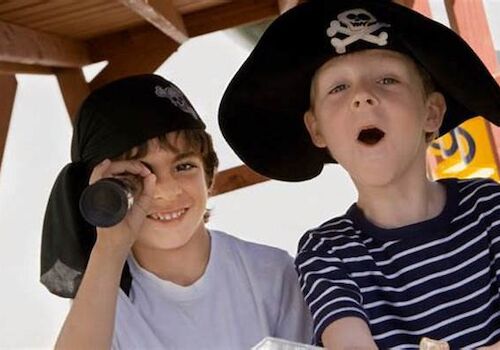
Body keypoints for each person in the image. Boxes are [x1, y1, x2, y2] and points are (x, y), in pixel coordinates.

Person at [217, 0, 500, 348]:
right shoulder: (326, 252)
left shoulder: (490, 207)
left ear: (432, 112)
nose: (363, 97)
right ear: (316, 129)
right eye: (338, 88)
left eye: (387, 80)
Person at [40, 74, 312, 349]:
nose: (166, 191)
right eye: (136, 177)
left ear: (208, 173)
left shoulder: (272, 274)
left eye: (183, 167)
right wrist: (110, 247)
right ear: (104, 194)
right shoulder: (104, 299)